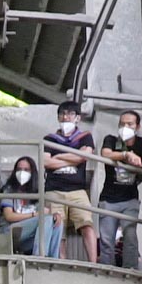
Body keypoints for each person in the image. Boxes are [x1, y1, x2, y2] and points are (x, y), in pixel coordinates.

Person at [43, 101, 97, 262]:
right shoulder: (49, 139)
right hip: (54, 190)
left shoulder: (85, 137)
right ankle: (61, 261)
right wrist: (73, 159)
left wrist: (58, 156)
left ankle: (93, 262)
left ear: (78, 118)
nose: (66, 117)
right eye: (62, 114)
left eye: (70, 113)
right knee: (58, 229)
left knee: (86, 224)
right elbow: (46, 162)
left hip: (77, 190)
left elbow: (84, 155)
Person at [98, 111, 142, 269]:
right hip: (108, 199)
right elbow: (105, 153)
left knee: (130, 237)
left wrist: (138, 164)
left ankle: (131, 270)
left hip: (130, 199)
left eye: (130, 124)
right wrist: (126, 155)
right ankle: (108, 271)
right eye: (122, 124)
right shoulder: (111, 140)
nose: (125, 127)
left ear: (138, 126)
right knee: (107, 240)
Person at [0, 157, 63, 257]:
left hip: (27, 240)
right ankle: (39, 258)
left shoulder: (37, 192)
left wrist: (54, 215)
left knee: (57, 221)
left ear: (32, 172)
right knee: (44, 218)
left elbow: (46, 217)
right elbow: (9, 216)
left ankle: (53, 260)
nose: (22, 173)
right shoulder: (9, 189)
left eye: (26, 170)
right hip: (9, 233)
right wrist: (35, 214)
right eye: (19, 169)